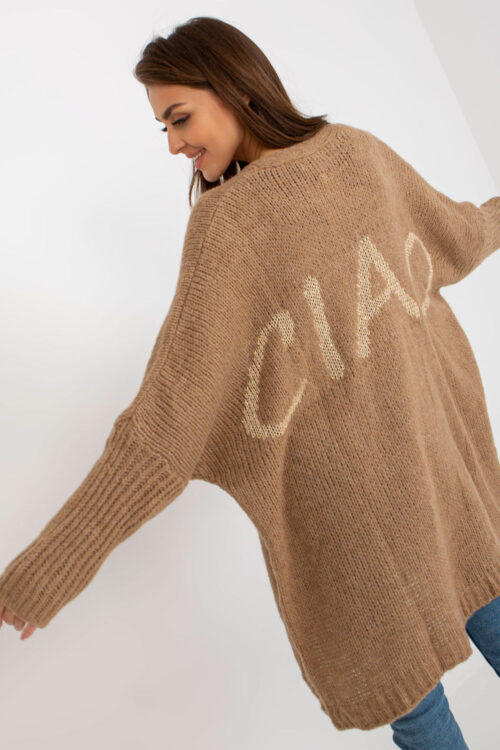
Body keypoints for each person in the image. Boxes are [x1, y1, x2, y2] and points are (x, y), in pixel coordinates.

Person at [1, 15, 499, 745]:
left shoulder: (228, 227)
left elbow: (160, 432)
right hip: (435, 488)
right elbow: (465, 232)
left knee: (422, 715)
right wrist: (53, 570)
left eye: (179, 118)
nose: (173, 145)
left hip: (368, 530)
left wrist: (46, 573)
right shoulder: (353, 154)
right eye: (163, 128)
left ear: (235, 90)